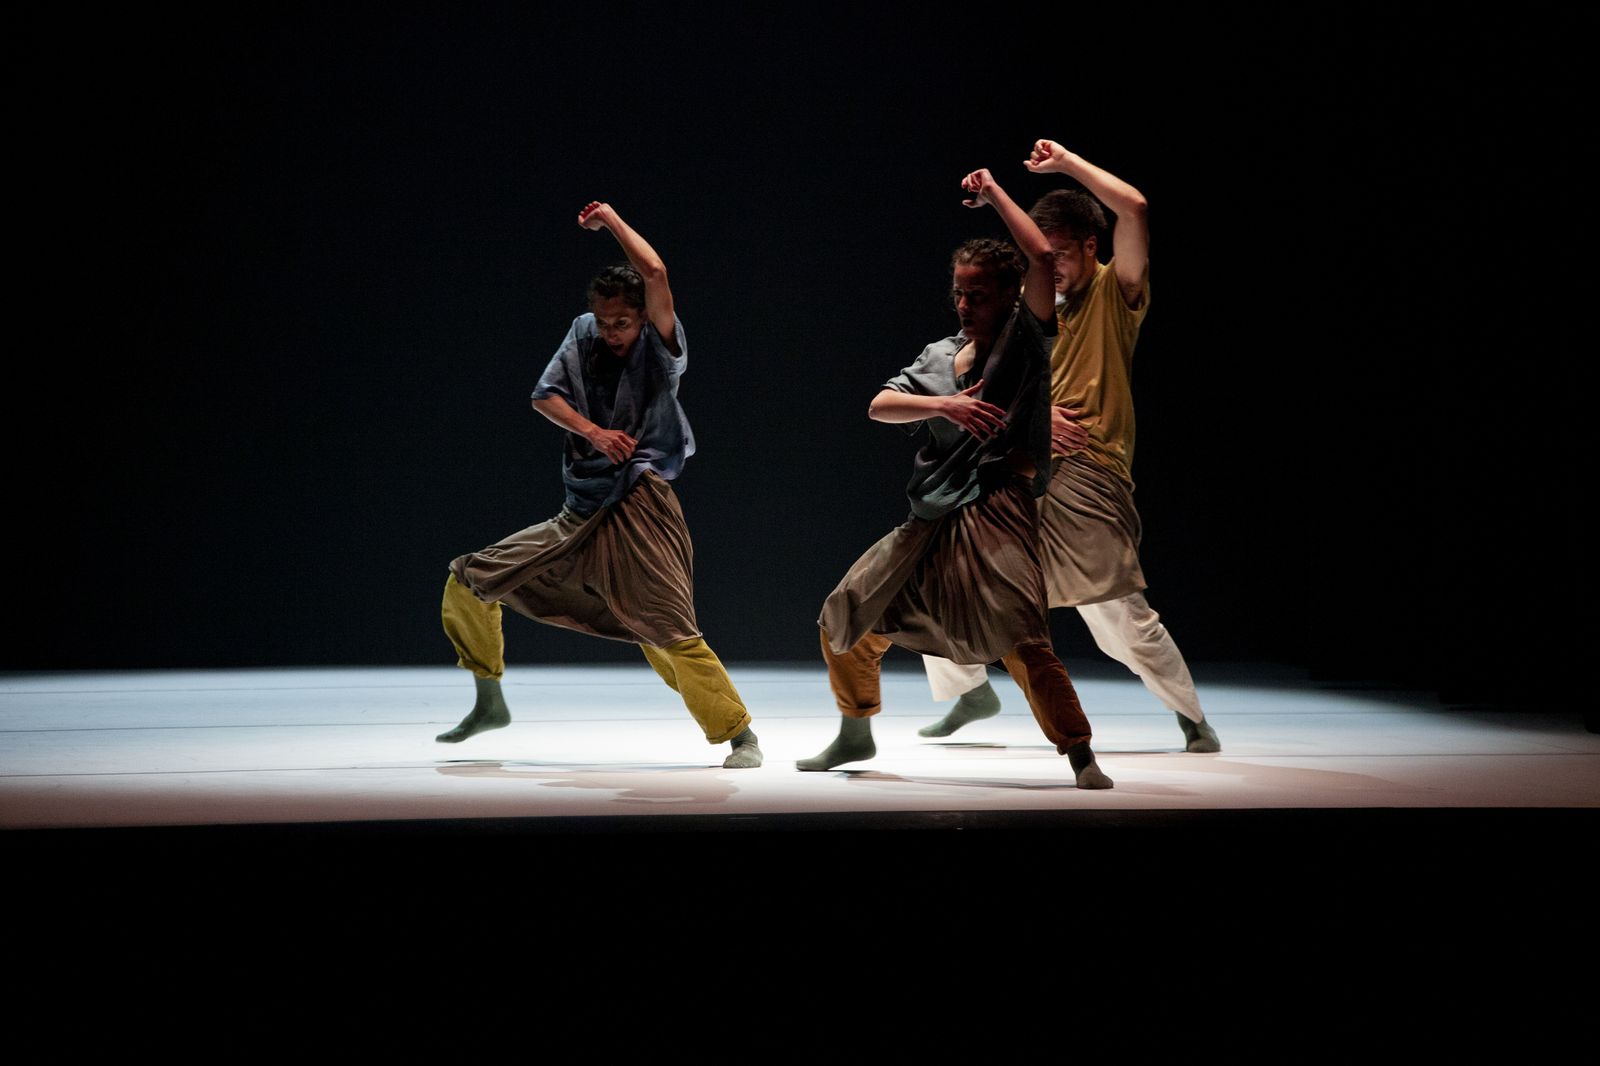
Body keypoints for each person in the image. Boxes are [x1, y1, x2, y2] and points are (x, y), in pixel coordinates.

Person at [798, 167, 1112, 789]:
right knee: (846, 614)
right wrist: (946, 405)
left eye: (980, 295)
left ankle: (1079, 753)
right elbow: (879, 405)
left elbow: (1044, 258)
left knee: (1022, 637)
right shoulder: (940, 356)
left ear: (1009, 295)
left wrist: (994, 193)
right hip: (932, 516)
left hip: (996, 508)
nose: (966, 305)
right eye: (960, 294)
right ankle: (855, 732)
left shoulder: (1026, 341)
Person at [918, 140, 1221, 753]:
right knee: (948, 566)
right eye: (1042, 256)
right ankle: (968, 691)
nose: (1049, 266)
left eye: (1060, 255)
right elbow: (984, 382)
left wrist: (1066, 165)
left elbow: (1132, 207)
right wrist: (1031, 419)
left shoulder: (1115, 295)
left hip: (1090, 471)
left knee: (1117, 617)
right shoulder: (1028, 313)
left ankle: (1191, 717)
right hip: (1024, 466)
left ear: (1090, 248)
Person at [434, 201, 762, 769]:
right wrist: (593, 431)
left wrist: (610, 220)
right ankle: (489, 701)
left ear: (643, 318)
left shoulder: (662, 349)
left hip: (640, 505)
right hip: (581, 508)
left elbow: (655, 274)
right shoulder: (584, 334)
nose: (612, 332)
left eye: (623, 322)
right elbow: (544, 397)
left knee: (665, 627)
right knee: (470, 580)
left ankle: (739, 735)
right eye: (605, 320)